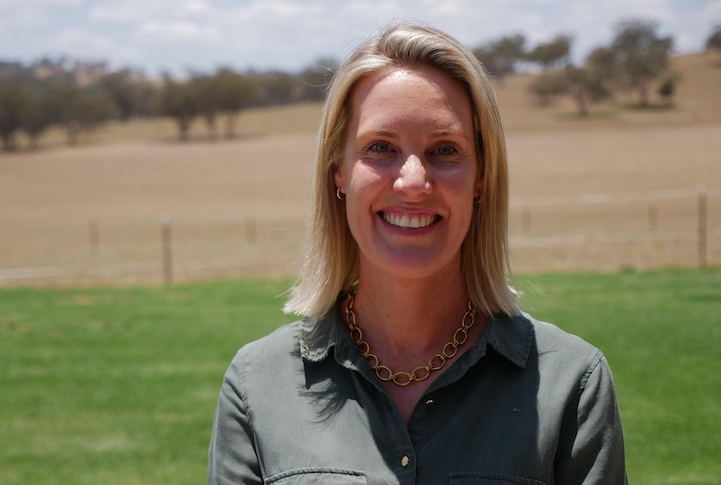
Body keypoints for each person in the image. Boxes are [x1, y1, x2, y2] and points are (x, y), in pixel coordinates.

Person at [208, 23, 627, 484]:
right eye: (380, 148)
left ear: (481, 177)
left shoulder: (573, 383)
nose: (412, 180)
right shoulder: (257, 385)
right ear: (338, 174)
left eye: (444, 150)